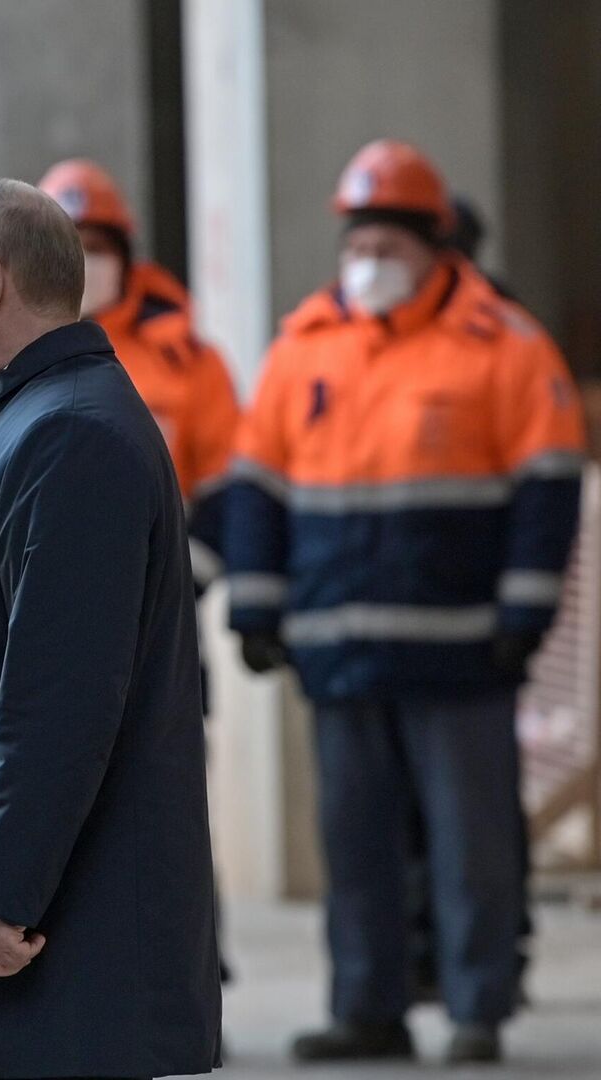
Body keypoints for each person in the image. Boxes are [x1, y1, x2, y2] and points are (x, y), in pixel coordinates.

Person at [225, 139, 585, 1065]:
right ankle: (367, 1007)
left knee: (472, 849)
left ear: (436, 242)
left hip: (461, 650)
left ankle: (477, 1009)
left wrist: (522, 615)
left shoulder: (503, 346)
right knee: (357, 851)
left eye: (390, 237)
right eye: (360, 237)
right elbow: (257, 485)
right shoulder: (306, 345)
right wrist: (256, 608)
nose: (371, 256)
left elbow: (547, 489)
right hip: (338, 651)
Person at [0, 179, 221, 1080]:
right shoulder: (15, 424)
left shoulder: (71, 438)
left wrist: (7, 891)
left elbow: (62, 694)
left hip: (48, 942)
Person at [37, 159, 239, 586]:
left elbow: (226, 495)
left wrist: (174, 586)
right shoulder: (8, 357)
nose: (83, 263)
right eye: (68, 246)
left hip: (159, 604)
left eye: (96, 247)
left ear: (124, 257)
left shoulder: (188, 361)